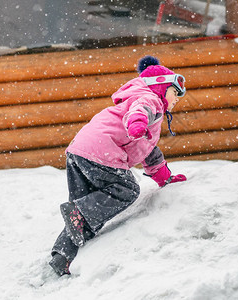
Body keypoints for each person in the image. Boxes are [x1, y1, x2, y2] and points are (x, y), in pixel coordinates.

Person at [49, 55, 187, 276]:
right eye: (175, 92)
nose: (178, 98)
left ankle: (62, 256)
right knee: (127, 190)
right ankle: (77, 216)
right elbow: (139, 112)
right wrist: (137, 123)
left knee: (84, 216)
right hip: (102, 151)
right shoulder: (148, 99)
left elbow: (148, 151)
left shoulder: (137, 102)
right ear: (160, 86)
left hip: (79, 152)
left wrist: (165, 178)